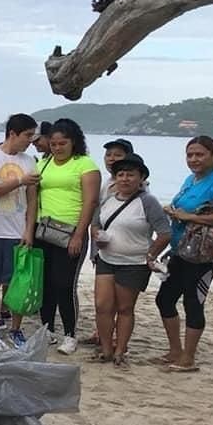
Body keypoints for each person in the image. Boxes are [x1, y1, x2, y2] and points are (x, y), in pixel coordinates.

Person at [156, 136, 213, 372]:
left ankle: (188, 358)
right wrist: (174, 213)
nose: (194, 159)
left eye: (199, 154)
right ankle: (175, 350)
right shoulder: (191, 180)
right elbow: (186, 210)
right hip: (182, 249)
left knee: (193, 302)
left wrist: (190, 217)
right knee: (165, 299)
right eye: (190, 155)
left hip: (206, 255)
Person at [90, 154, 170, 368]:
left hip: (134, 263)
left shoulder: (148, 202)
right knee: (102, 306)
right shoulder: (108, 199)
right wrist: (98, 237)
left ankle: (120, 350)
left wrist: (151, 254)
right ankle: (106, 349)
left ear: (141, 178)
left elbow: (164, 233)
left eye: (130, 175)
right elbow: (95, 223)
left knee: (125, 308)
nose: (124, 179)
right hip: (106, 259)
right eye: (120, 174)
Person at [36, 118, 100, 355]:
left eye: (62, 143)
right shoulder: (44, 163)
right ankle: (48, 330)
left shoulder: (85, 164)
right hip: (43, 230)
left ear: (74, 142)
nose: (57, 148)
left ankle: (70, 334)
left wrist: (79, 235)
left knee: (65, 284)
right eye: (53, 143)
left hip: (70, 231)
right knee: (46, 284)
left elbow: (91, 201)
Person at [0, 113, 39, 347]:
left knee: (16, 285)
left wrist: (29, 230)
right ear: (13, 134)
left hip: (16, 232)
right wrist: (20, 181)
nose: (31, 140)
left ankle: (15, 328)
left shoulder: (29, 160)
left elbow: (32, 201)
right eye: (27, 135)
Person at [82, 137, 135, 346]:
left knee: (119, 298)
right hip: (101, 243)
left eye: (117, 155)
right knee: (104, 297)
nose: (112, 159)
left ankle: (113, 338)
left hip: (122, 248)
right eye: (109, 155)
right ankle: (101, 333)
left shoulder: (135, 186)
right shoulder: (107, 182)